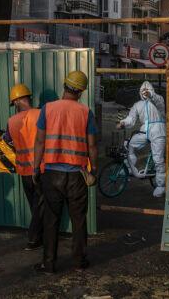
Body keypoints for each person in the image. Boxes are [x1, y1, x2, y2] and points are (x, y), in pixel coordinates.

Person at [32, 71, 98, 274]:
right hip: (77, 175)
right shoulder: (86, 112)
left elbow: (40, 141)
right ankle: (79, 262)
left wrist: (36, 168)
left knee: (51, 220)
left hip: (51, 174)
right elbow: (92, 146)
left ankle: (49, 264)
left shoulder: (48, 109)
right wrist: (93, 170)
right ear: (81, 91)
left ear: (65, 85)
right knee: (78, 220)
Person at [4, 83, 44, 251]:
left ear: (18, 100)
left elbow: (7, 139)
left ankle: (37, 237)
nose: (15, 106)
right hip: (41, 169)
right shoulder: (41, 114)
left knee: (34, 205)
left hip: (24, 171)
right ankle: (34, 238)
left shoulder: (11, 121)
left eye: (14, 103)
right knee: (40, 205)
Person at [116, 81, 167, 198]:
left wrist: (151, 95)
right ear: (140, 92)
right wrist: (122, 123)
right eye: (143, 90)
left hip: (158, 129)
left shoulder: (159, 100)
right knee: (129, 144)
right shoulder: (137, 105)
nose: (145, 92)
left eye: (147, 90)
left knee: (158, 158)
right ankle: (128, 167)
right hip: (144, 130)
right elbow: (131, 119)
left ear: (151, 90)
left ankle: (160, 186)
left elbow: (157, 100)